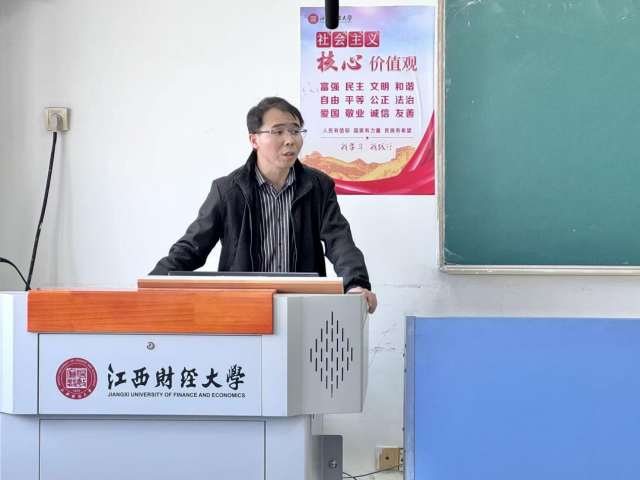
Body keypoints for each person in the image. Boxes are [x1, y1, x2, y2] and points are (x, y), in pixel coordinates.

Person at [150, 96, 377, 313]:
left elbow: (339, 241)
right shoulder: (228, 190)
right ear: (254, 140)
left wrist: (356, 283)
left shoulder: (318, 186)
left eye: (295, 131)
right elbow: (193, 247)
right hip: (243, 306)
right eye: (278, 131)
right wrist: (152, 284)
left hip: (303, 305)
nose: (290, 140)